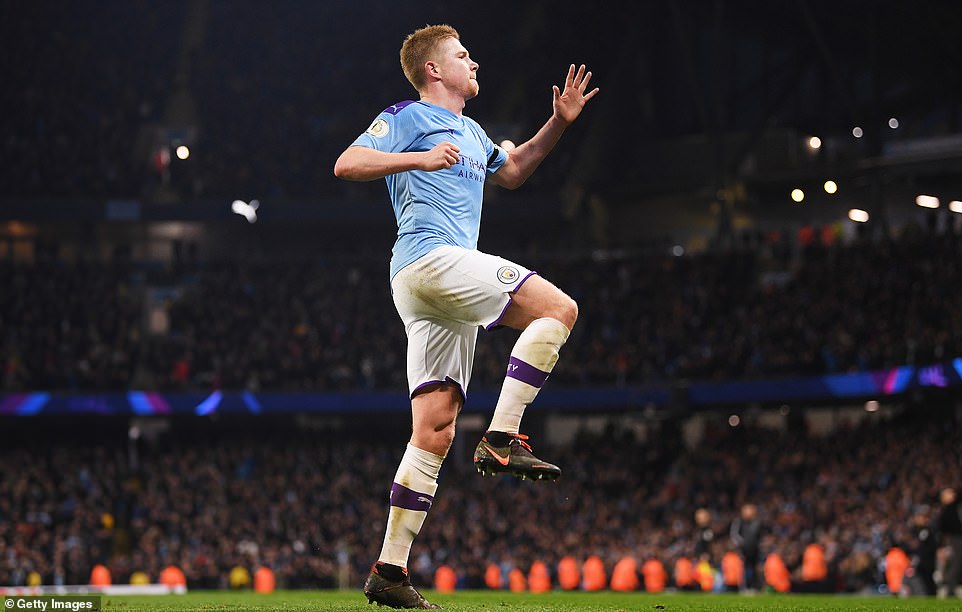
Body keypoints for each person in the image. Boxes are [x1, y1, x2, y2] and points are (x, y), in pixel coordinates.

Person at [334, 24, 598, 609]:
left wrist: (559, 123)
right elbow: (346, 164)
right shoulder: (407, 115)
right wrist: (420, 158)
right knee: (559, 308)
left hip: (431, 289)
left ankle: (389, 571)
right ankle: (502, 436)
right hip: (429, 259)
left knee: (434, 430)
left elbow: (515, 170)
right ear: (433, 69)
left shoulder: (475, 132)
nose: (473, 62)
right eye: (462, 55)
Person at [939, 487, 962, 598]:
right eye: (949, 493)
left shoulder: (951, 508)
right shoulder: (947, 510)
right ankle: (950, 588)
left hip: (955, 539)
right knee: (956, 563)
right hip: (955, 539)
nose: (952, 495)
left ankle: (950, 587)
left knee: (955, 563)